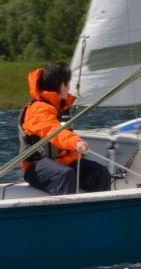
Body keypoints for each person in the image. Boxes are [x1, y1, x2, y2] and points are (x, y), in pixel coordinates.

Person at [19, 62, 111, 195]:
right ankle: (67, 208)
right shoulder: (38, 109)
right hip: (37, 167)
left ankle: (101, 207)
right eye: (68, 84)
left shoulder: (60, 107)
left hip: (64, 163)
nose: (69, 88)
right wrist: (75, 143)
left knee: (99, 172)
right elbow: (53, 131)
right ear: (63, 85)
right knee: (64, 174)